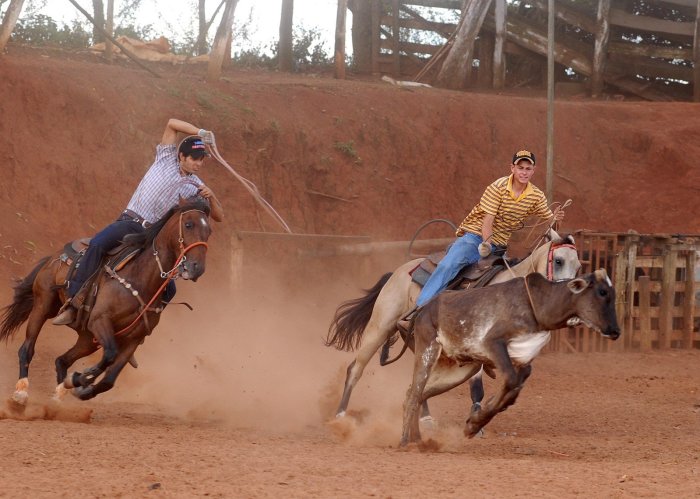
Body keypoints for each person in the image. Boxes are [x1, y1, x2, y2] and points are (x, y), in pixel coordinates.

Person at [53, 118, 225, 325]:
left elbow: (219, 217)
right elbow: (171, 124)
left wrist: (211, 196)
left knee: (169, 289)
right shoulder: (165, 159)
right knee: (98, 244)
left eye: (201, 160)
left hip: (153, 238)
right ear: (181, 156)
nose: (198, 164)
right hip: (131, 222)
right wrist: (201, 132)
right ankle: (73, 302)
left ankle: (136, 329)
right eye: (195, 158)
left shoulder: (196, 186)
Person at [399, 149, 565, 330]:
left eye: (528, 168)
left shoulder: (536, 196)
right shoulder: (498, 187)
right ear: (512, 168)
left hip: (501, 246)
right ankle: (418, 311)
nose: (524, 172)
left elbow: (550, 224)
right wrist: (486, 245)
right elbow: (488, 221)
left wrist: (556, 219)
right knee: (450, 265)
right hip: (476, 238)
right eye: (520, 167)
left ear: (533, 170)